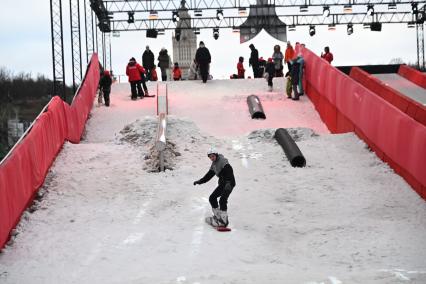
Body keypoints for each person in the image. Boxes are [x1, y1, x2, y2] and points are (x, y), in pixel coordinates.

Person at [193, 147, 236, 227]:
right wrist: (200, 181)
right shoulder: (214, 165)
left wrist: (229, 183)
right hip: (223, 184)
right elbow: (208, 176)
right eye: (210, 157)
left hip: (229, 183)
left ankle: (224, 221)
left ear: (216, 155)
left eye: (213, 156)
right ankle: (218, 216)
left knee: (223, 199)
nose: (212, 158)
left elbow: (230, 170)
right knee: (212, 198)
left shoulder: (222, 161)